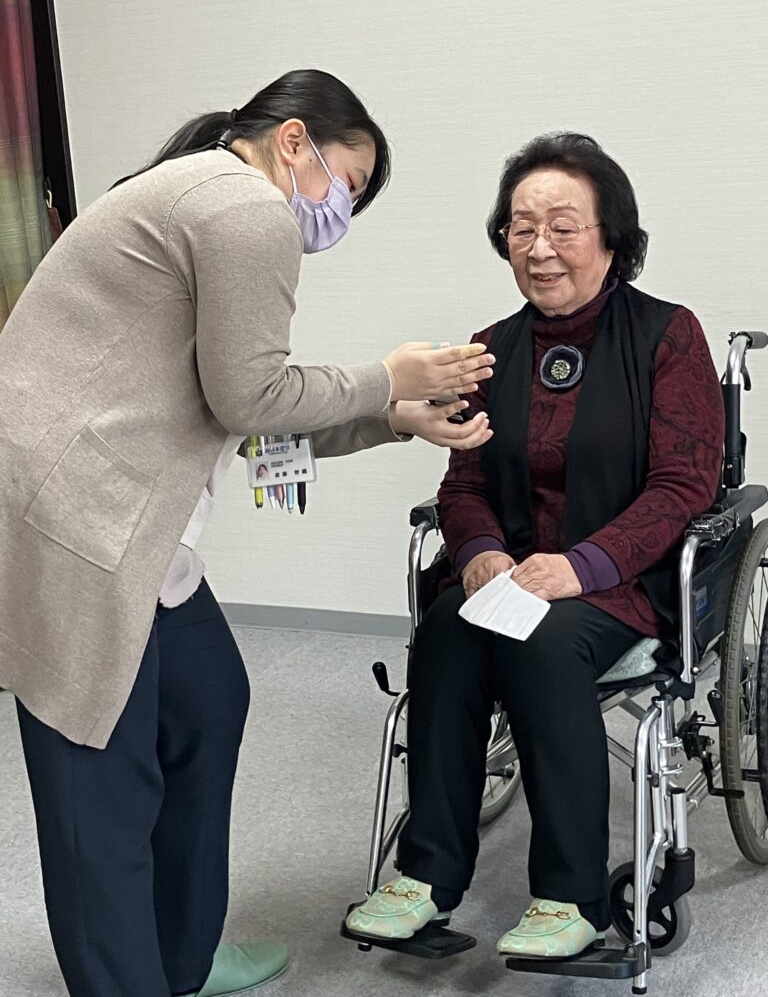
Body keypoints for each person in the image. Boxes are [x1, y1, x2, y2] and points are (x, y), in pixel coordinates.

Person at [0, 69, 495, 997]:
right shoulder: (242, 204)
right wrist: (388, 376)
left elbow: (243, 412)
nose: (338, 211)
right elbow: (252, 396)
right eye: (347, 183)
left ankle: (179, 957)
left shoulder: (207, 195)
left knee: (207, 700)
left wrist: (396, 417)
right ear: (294, 140)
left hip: (134, 522)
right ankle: (129, 979)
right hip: (81, 523)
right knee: (99, 782)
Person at [345, 132, 725, 960]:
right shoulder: (491, 350)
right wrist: (480, 552)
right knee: (447, 629)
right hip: (514, 577)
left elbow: (684, 485)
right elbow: (463, 485)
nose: (539, 247)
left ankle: (570, 896)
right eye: (521, 228)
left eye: (562, 226)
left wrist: (580, 566)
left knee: (545, 644)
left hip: (622, 582)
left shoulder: (667, 337)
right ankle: (425, 876)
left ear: (611, 237)